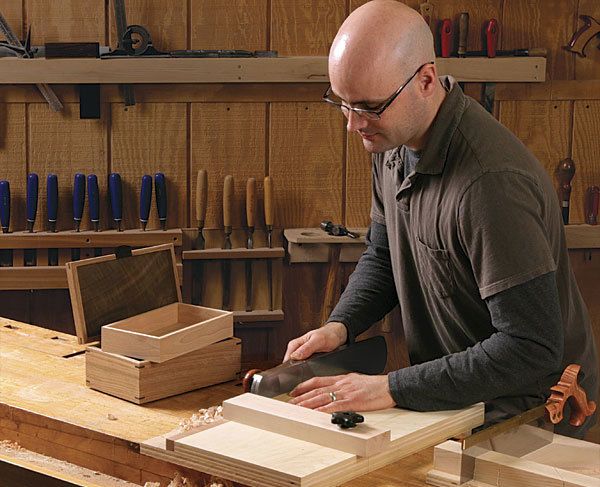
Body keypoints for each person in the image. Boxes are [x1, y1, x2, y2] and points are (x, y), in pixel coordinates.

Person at [284, 0, 598, 438]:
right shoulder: (390, 141)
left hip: (530, 417)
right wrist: (342, 324)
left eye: (368, 107)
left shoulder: (490, 184)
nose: (352, 125)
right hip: (456, 403)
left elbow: (530, 347)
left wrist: (391, 387)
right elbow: (385, 252)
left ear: (426, 81)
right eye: (342, 104)